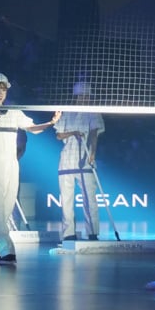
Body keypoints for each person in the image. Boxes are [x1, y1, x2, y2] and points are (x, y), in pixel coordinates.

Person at [0, 73, 58, 264]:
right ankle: (7, 251)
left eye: (3, 89)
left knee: (3, 213)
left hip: (11, 166)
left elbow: (33, 128)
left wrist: (51, 123)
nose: (0, 93)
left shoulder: (14, 112)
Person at [55, 81, 106, 240]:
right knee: (67, 199)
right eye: (82, 95)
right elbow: (58, 135)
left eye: (87, 96)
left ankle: (92, 233)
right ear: (76, 96)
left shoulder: (93, 112)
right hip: (66, 161)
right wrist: (73, 133)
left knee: (90, 198)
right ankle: (68, 234)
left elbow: (94, 133)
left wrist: (92, 153)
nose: (85, 98)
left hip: (85, 161)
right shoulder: (66, 112)